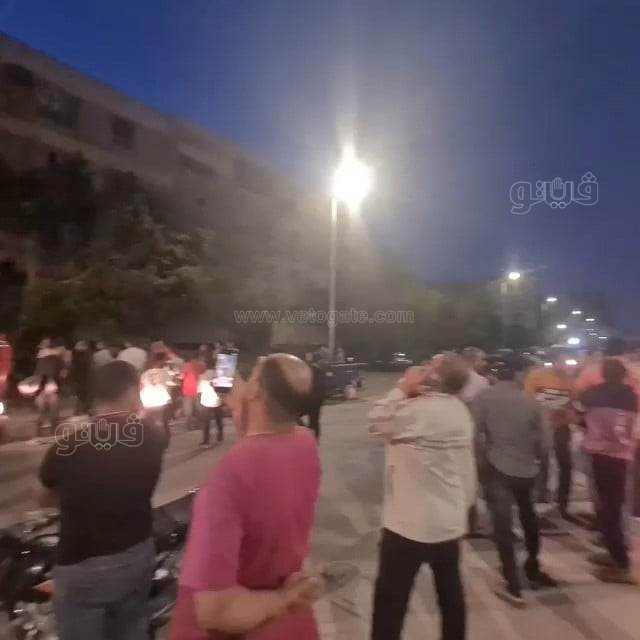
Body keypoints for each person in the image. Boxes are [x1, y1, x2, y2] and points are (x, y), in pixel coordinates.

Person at [169, 354, 322, 640]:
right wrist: (240, 405)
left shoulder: (228, 480)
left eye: (251, 376)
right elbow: (258, 436)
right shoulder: (305, 443)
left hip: (246, 621)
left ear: (256, 390)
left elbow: (215, 610)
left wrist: (283, 599)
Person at [37, 361, 166, 640]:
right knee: (131, 631)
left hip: (83, 564)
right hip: (137, 553)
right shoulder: (154, 436)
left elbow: (46, 496)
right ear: (131, 392)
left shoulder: (69, 444)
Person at [368, 356, 476, 640]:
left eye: (429, 366)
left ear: (435, 378)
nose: (423, 368)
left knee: (390, 602)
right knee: (450, 595)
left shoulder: (418, 411)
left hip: (408, 526)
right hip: (449, 522)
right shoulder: (459, 410)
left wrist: (402, 388)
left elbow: (377, 419)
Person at [472, 359, 557, 606]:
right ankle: (532, 566)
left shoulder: (484, 398)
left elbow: (475, 434)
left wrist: (480, 462)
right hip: (527, 469)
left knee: (503, 525)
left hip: (497, 467)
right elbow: (546, 442)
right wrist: (536, 461)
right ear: (518, 377)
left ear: (497, 376)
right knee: (529, 518)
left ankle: (512, 583)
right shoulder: (531, 401)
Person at [580, 358, 638, 584]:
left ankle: (621, 563)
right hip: (622, 457)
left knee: (607, 509)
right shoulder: (631, 396)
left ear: (603, 374)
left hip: (600, 456)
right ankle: (615, 553)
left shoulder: (592, 394)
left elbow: (575, 411)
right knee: (615, 507)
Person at [524, 353, 575, 518]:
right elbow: (529, 400)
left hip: (561, 427)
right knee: (541, 462)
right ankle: (541, 495)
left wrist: (552, 400)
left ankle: (563, 501)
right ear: (554, 362)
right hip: (541, 427)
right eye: (563, 362)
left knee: (565, 464)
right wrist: (558, 402)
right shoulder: (537, 376)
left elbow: (573, 401)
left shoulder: (570, 379)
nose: (565, 366)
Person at [459, 347, 490, 537]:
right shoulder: (480, 382)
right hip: (474, 435)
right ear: (474, 360)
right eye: (481, 360)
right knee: (474, 480)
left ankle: (463, 522)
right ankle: (472, 524)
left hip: (455, 434)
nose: (484, 363)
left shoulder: (453, 380)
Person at [301, 351, 326, 439]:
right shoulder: (303, 370)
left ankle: (313, 438)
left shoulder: (317, 370)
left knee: (314, 421)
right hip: (308, 399)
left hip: (314, 400)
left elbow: (321, 385)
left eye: (309, 357)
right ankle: (310, 435)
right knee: (295, 417)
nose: (308, 360)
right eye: (307, 357)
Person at [197, 370, 223, 448]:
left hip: (206, 400)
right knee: (218, 420)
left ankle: (206, 441)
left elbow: (199, 391)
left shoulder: (202, 375)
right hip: (217, 400)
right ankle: (220, 437)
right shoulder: (219, 374)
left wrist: (199, 401)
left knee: (206, 422)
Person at [182, 356, 206, 428]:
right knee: (199, 406)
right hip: (197, 387)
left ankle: (188, 424)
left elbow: (183, 376)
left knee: (188, 407)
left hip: (187, 387)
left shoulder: (186, 365)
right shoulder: (201, 365)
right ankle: (199, 423)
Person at [70, 340, 93, 415]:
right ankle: (84, 410)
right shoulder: (86, 356)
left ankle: (80, 411)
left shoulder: (76, 356)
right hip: (84, 378)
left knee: (81, 395)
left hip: (81, 378)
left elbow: (73, 368)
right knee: (84, 395)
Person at [0, 332, 14, 402]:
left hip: (3, 370)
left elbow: (6, 359)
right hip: (4, 370)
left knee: (2, 386)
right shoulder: (7, 345)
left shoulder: (3, 346)